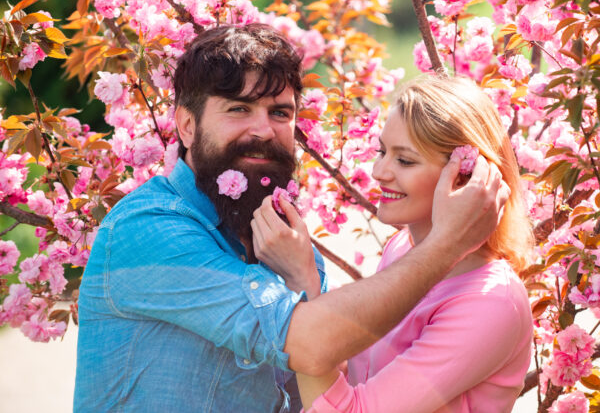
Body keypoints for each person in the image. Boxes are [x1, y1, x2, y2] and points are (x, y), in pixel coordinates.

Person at [73, 24, 510, 412]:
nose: (263, 129)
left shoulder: (280, 241)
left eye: (279, 112)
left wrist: (305, 277)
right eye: (238, 109)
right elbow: (309, 345)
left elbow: (324, 383)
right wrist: (446, 244)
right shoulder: (151, 229)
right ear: (186, 127)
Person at [253, 76, 534, 412]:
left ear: (467, 178)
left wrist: (300, 282)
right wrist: (308, 281)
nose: (378, 171)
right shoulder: (402, 248)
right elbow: (350, 377)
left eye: (405, 161)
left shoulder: (492, 304)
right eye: (382, 151)